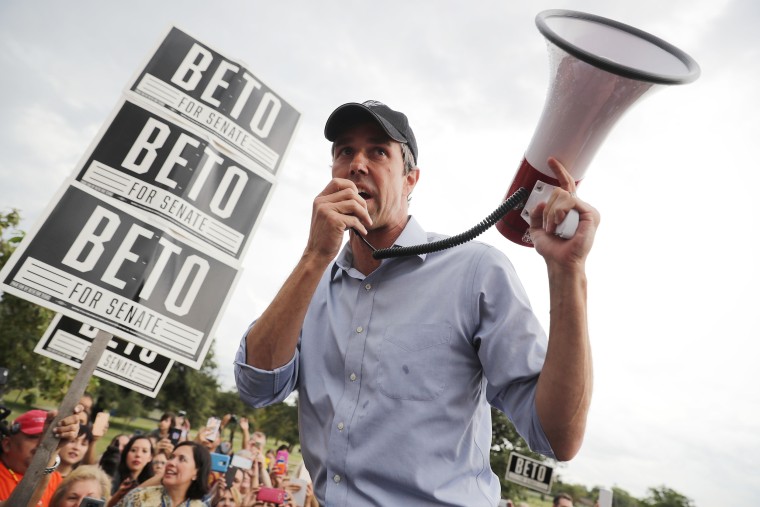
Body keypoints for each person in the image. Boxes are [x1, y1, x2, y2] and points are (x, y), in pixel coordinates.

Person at [234, 100, 599, 506]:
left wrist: (569, 273)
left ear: (410, 180)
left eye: (378, 151)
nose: (357, 164)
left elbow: (557, 437)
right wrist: (314, 257)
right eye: (344, 151)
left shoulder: (475, 271)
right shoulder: (310, 283)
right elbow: (256, 387)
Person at [0, 406, 85, 507]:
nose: (41, 443)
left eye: (47, 438)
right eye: (34, 437)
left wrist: (51, 451)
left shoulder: (56, 479)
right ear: (7, 444)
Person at [114, 441, 210, 507]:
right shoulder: (138, 498)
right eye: (171, 457)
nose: (171, 462)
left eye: (182, 459)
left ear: (196, 473)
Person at [108, 435, 154, 505]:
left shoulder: (150, 483)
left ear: (150, 457)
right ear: (126, 453)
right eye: (133, 450)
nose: (138, 455)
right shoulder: (113, 476)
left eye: (144, 451)